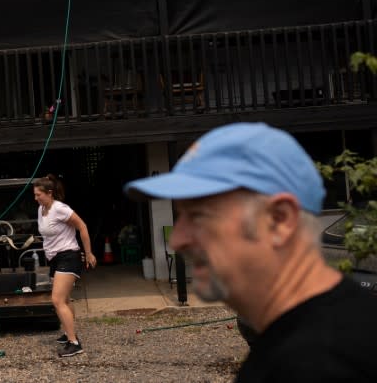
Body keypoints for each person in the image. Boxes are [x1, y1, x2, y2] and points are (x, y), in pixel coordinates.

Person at [123, 122, 377, 382]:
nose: (176, 240)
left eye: (199, 216)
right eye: (181, 216)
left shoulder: (323, 363)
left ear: (280, 220)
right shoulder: (300, 341)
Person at [33, 174, 96, 358]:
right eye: (35, 195)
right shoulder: (41, 209)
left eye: (39, 195)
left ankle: (74, 344)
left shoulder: (60, 208)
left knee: (57, 300)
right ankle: (70, 333)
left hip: (69, 256)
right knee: (66, 299)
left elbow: (82, 226)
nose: (36, 198)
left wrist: (89, 252)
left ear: (50, 193)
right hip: (55, 258)